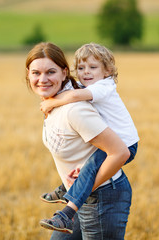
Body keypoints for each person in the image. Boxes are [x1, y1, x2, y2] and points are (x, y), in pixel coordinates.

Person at [26, 42, 134, 239]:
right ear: (28, 74)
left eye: (50, 72)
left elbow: (120, 152)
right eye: (36, 73)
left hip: (102, 198)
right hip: (82, 196)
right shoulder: (57, 104)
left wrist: (80, 190)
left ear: (64, 73)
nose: (42, 79)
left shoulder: (74, 109)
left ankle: (69, 204)